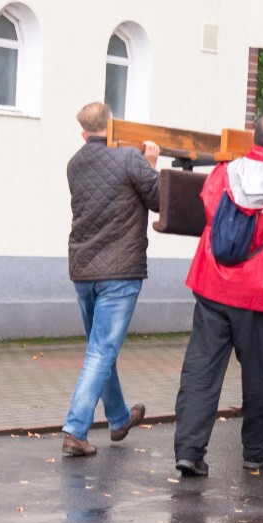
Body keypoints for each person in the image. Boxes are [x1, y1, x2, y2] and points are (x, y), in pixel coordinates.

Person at [173, 112, 263, 477]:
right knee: (256, 373)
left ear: (254, 138)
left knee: (201, 368)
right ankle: (257, 451)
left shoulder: (224, 173)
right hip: (257, 292)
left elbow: (208, 203)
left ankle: (189, 451)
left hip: (212, 283)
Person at [61, 102, 160, 457]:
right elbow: (160, 199)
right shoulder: (130, 160)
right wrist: (151, 166)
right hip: (120, 271)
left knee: (99, 350)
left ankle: (118, 419)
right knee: (101, 352)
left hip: (84, 270)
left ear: (84, 133)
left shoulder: (74, 164)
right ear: (113, 124)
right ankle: (75, 429)